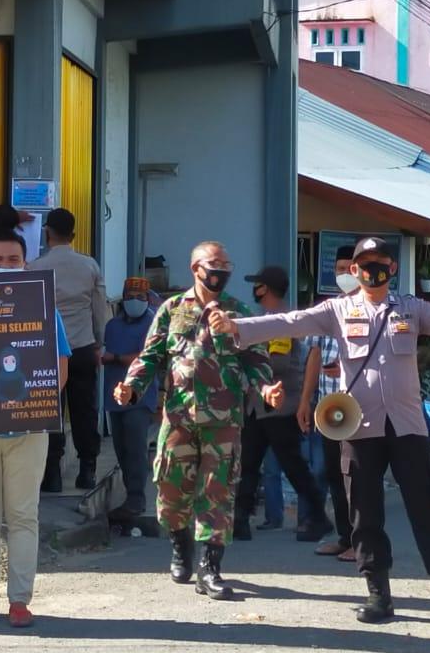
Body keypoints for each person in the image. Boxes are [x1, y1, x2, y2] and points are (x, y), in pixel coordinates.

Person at [211, 237, 430, 630]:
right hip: (359, 427)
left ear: (392, 268)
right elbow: (290, 322)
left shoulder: (411, 308)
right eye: (366, 263)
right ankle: (378, 594)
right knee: (363, 516)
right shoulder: (338, 310)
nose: (375, 269)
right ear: (354, 271)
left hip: (407, 427)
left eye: (382, 262)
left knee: (429, 512)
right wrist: (237, 326)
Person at [113, 241, 283, 601]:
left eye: (226, 263)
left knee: (216, 493)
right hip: (178, 417)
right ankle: (180, 548)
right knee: (171, 492)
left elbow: (255, 359)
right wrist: (130, 386)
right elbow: (151, 355)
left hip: (224, 420)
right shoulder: (172, 310)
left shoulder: (239, 312)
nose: (221, 269)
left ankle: (211, 567)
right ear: (196, 268)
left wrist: (266, 388)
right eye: (213, 263)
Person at [0, 231, 72, 629]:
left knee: (23, 516)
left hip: (28, 431)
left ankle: (20, 601)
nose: (4, 265)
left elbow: (59, 367)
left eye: (13, 259)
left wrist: (29, 408)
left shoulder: (43, 307)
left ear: (26, 263)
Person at [232, 266, 333, 543]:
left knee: (293, 465)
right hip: (258, 406)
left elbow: (276, 363)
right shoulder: (265, 319)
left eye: (258, 285)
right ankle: (240, 519)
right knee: (248, 463)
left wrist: (248, 356)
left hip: (279, 405)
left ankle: (317, 517)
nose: (255, 290)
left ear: (266, 289)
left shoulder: (282, 322)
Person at [30, 207, 108, 492]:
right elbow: (99, 310)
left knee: (50, 412)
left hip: (49, 352)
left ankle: (51, 475)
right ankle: (87, 470)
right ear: (73, 234)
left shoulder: (36, 268)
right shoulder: (89, 266)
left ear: (47, 232)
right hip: (84, 347)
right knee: (85, 411)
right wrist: (99, 342)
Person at [298, 244, 356, 560]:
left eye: (351, 269)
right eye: (340, 269)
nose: (345, 275)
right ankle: (345, 537)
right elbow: (314, 355)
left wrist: (347, 367)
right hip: (328, 408)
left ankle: (363, 541)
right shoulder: (327, 309)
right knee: (333, 473)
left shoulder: (373, 309)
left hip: (360, 409)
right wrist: (305, 401)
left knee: (355, 476)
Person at [102, 277, 158, 515]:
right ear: (123, 298)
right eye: (130, 297)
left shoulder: (153, 322)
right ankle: (130, 495)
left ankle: (137, 498)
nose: (135, 301)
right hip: (114, 397)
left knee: (135, 448)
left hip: (140, 397)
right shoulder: (113, 326)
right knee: (122, 449)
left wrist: (114, 358)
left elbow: (145, 356)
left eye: (141, 297)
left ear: (148, 299)